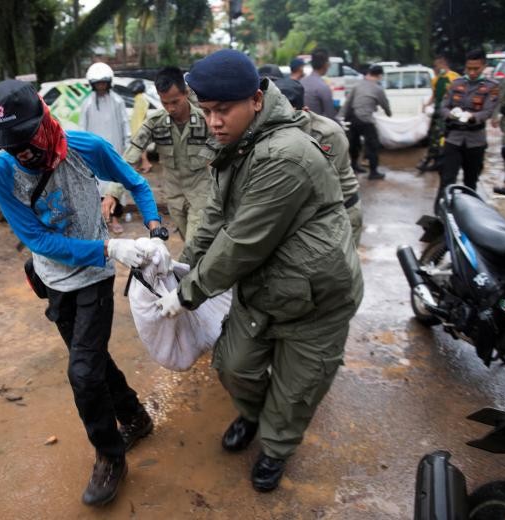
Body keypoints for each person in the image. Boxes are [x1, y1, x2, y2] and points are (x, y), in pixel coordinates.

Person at [154, 49, 363, 493]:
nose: (213, 121)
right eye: (206, 111)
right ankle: (251, 416)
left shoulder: (284, 153)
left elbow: (243, 242)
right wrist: (186, 263)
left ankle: (275, 449)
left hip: (316, 299)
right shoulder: (240, 142)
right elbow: (214, 212)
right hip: (266, 287)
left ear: (254, 99)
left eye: (222, 110)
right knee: (234, 366)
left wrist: (188, 293)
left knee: (296, 390)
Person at [0, 79, 162, 507]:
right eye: (7, 143)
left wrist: (152, 226)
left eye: (24, 139)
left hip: (94, 278)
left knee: (81, 372)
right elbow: (38, 240)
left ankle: (110, 456)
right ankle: (134, 416)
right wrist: (111, 246)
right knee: (92, 361)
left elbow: (138, 184)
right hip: (54, 279)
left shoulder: (86, 147)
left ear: (43, 120)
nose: (19, 151)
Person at [103, 66, 214, 244]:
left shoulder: (205, 120)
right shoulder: (156, 123)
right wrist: (113, 193)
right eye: (165, 103)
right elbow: (130, 157)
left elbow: (226, 149)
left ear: (186, 93)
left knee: (195, 244)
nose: (170, 108)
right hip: (173, 195)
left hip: (201, 192)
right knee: (188, 241)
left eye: (175, 102)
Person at [274, 77, 363, 246]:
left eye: (290, 117)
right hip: (313, 215)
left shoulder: (326, 134)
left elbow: (320, 187)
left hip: (342, 211)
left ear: (305, 110)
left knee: (341, 268)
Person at [437, 49, 499, 205]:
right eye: (468, 68)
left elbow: (488, 111)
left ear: (483, 66)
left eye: (476, 68)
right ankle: (439, 215)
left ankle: (468, 215)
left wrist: (473, 117)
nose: (471, 72)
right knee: (446, 179)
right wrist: (450, 114)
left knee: (470, 182)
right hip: (454, 138)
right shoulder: (456, 84)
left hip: (475, 141)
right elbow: (443, 107)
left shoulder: (492, 86)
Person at [80, 62, 131, 233]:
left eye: (104, 82)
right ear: (92, 84)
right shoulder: (87, 104)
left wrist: (128, 144)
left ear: (109, 82)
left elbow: (125, 124)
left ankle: (115, 219)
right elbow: (82, 129)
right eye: (98, 83)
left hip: (114, 150)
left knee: (115, 185)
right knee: (96, 187)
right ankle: (102, 221)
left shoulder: (117, 101)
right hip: (94, 154)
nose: (101, 86)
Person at [343, 64, 391, 180]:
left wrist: (341, 117)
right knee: (372, 144)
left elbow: (348, 102)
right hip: (365, 119)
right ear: (379, 76)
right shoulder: (378, 89)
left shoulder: (357, 85)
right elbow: (385, 104)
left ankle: (354, 166)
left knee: (355, 143)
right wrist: (389, 114)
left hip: (353, 118)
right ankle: (373, 172)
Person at [417, 56, 460, 173]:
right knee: (433, 136)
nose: (435, 68)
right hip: (437, 112)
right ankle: (434, 160)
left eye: (436, 66)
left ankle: (441, 162)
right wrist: (426, 104)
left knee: (442, 137)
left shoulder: (455, 78)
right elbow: (434, 95)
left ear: (443, 64)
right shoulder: (436, 79)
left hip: (448, 113)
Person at [301, 48, 337, 121]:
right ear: (326, 64)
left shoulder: (301, 82)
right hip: (316, 127)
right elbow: (330, 115)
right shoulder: (323, 86)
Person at [128, 79, 153, 174]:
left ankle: (146, 165)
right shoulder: (141, 99)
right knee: (141, 149)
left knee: (141, 150)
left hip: (138, 129)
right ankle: (142, 165)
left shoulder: (140, 100)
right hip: (140, 128)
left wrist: (138, 131)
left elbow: (139, 118)